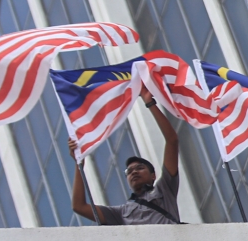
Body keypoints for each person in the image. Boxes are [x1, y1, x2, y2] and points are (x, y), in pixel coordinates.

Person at [69, 87, 181, 225]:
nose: (134, 171)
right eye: (129, 171)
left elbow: (172, 141)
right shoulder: (120, 213)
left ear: (153, 176)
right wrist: (78, 163)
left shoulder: (165, 190)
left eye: (140, 168)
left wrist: (150, 103)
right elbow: (78, 206)